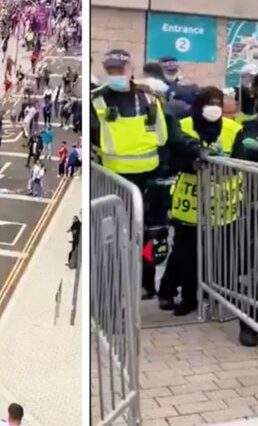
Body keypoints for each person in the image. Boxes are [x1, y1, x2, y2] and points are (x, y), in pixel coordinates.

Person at [91, 49, 199, 301]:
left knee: (154, 238)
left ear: (131, 69)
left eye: (121, 70)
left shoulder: (150, 99)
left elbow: (172, 133)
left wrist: (194, 148)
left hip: (151, 181)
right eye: (112, 71)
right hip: (115, 183)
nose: (117, 74)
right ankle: (114, 294)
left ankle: (146, 283)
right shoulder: (96, 101)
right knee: (114, 240)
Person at [159, 87, 249, 316]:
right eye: (210, 102)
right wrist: (193, 164)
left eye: (218, 103)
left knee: (221, 253)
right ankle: (188, 298)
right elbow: (173, 159)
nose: (214, 107)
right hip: (190, 203)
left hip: (222, 204)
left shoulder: (233, 129)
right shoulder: (185, 125)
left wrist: (218, 169)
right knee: (187, 254)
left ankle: (217, 294)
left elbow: (240, 161)